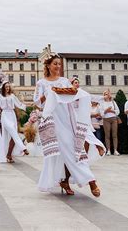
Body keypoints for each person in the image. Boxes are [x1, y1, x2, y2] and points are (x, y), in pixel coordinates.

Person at [34, 54, 100, 197]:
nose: (58, 66)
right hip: (53, 121)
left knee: (73, 149)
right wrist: (48, 94)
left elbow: (73, 97)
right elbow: (37, 103)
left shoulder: (64, 81)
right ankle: (89, 181)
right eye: (55, 64)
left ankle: (70, 180)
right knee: (65, 151)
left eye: (59, 64)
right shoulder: (41, 83)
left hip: (67, 119)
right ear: (48, 66)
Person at [70, 77, 105, 161]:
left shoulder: (82, 93)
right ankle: (79, 158)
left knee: (86, 135)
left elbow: (92, 97)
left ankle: (98, 146)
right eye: (75, 82)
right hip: (73, 118)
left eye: (78, 82)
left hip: (83, 118)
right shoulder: (69, 94)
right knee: (77, 139)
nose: (77, 84)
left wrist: (103, 97)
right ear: (71, 84)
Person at [0, 81, 29, 163]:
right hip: (5, 115)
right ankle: (23, 148)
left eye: (8, 87)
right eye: (6, 87)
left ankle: (8, 154)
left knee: (10, 135)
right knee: (13, 131)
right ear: (3, 87)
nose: (7, 88)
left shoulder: (12, 96)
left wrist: (27, 107)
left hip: (12, 115)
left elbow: (19, 104)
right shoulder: (0, 97)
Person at [99, 90, 121, 156]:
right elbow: (101, 114)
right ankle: (108, 150)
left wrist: (112, 111)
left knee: (114, 135)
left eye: (108, 94)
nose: (107, 95)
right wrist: (106, 110)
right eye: (105, 94)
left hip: (114, 119)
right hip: (106, 119)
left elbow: (118, 111)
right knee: (107, 135)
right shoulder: (102, 103)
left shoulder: (113, 102)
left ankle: (115, 150)